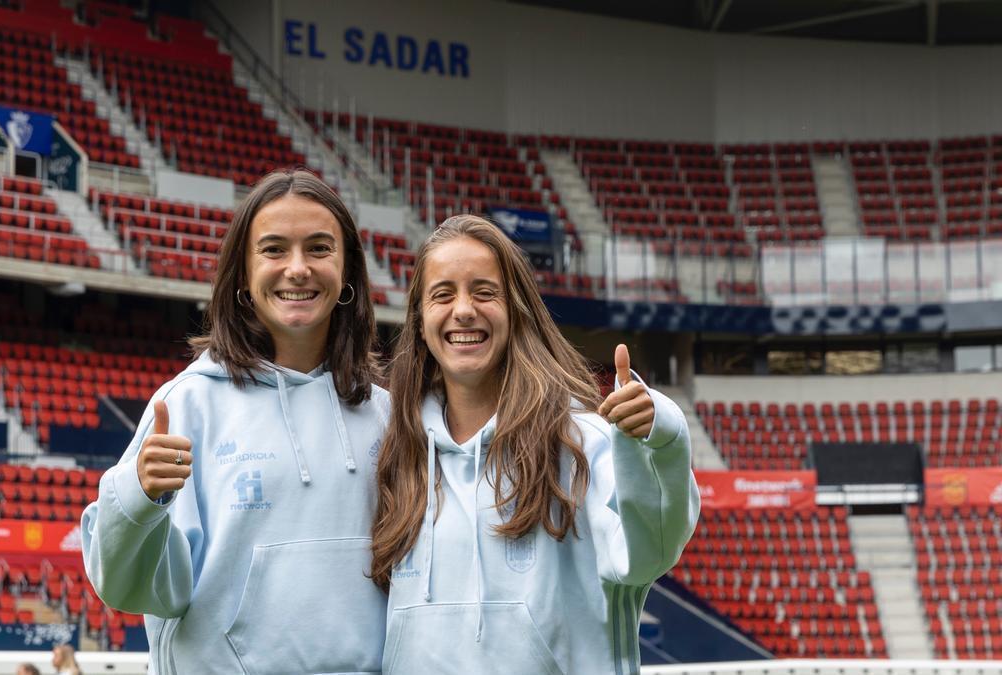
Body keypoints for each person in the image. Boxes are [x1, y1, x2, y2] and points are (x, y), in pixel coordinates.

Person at [81, 169, 388, 674]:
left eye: (318, 248)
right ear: (242, 274)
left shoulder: (386, 415)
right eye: (273, 250)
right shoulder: (187, 405)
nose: (297, 269)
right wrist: (139, 497)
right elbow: (126, 588)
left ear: (348, 271)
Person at [370, 215, 700, 673]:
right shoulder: (395, 451)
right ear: (420, 320)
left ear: (517, 310)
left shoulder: (585, 441)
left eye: (484, 292)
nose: (463, 309)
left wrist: (658, 437)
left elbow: (650, 552)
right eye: (442, 294)